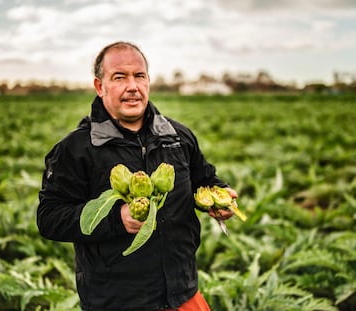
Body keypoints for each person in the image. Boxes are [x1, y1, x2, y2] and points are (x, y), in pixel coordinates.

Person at [37, 41, 237, 311]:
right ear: (100, 86)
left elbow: (204, 178)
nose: (132, 86)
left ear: (148, 81)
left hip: (183, 292)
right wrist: (116, 219)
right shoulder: (75, 150)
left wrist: (218, 196)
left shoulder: (177, 137)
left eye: (139, 76)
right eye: (119, 77)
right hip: (118, 301)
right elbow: (49, 217)